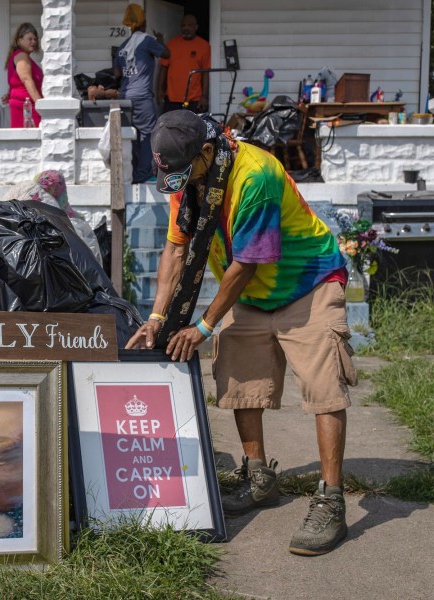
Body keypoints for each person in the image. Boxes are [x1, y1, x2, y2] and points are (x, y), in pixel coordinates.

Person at [126, 109, 355, 556]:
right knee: (240, 377)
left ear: (207, 152)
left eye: (182, 173)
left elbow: (246, 264)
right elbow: (175, 248)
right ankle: (258, 477)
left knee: (324, 388)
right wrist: (156, 318)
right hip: (253, 295)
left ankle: (331, 499)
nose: (177, 184)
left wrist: (205, 325)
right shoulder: (186, 175)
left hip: (308, 283)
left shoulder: (255, 176)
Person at [113, 4, 170, 184]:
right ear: (144, 23)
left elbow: (117, 74)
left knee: (133, 134)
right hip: (142, 96)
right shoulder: (148, 40)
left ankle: (134, 173)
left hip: (125, 96)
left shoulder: (123, 45)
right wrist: (160, 40)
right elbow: (167, 54)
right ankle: (143, 174)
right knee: (149, 134)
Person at [156, 14, 211, 113]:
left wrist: (204, 97)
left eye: (189, 25)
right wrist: (160, 90)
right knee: (171, 127)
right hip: (171, 99)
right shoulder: (171, 44)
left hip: (194, 100)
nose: (186, 28)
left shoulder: (204, 46)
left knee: (192, 128)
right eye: (183, 25)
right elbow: (163, 68)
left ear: (196, 27)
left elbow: (205, 72)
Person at [5, 23, 43, 128]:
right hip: (28, 108)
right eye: (29, 39)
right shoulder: (22, 56)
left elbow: (15, 81)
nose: (33, 42)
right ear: (19, 40)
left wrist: (8, 94)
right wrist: (42, 106)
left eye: (35, 39)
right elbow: (26, 80)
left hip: (23, 106)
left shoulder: (17, 56)